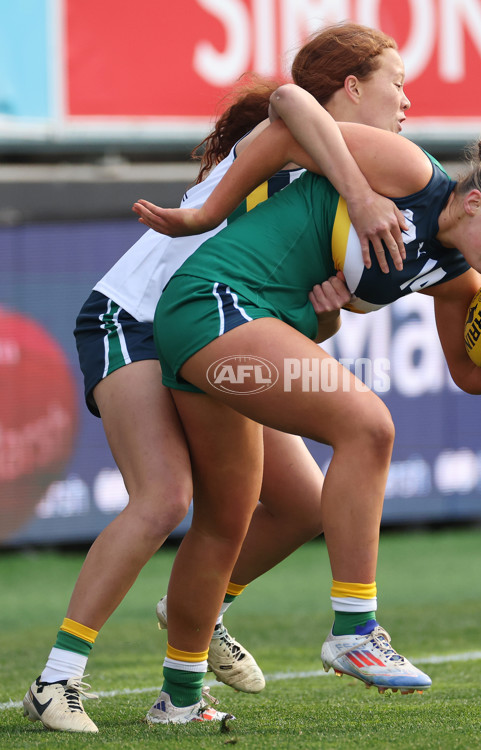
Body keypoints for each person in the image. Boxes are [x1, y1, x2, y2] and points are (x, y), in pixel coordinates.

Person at [22, 23, 412, 734]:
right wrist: (358, 193)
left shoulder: (342, 184)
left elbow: (289, 316)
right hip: (134, 319)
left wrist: (324, 315)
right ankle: (57, 680)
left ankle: (193, 637)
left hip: (210, 335)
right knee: (165, 496)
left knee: (301, 504)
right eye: (397, 81)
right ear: (353, 87)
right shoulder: (298, 136)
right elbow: (292, 101)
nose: (407, 100)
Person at [132, 84, 481, 724]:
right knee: (368, 427)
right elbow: (284, 114)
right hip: (215, 303)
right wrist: (210, 213)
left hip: (237, 326)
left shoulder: (452, 276)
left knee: (229, 522)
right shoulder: (412, 173)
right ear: (474, 202)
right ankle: (356, 629)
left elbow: (469, 376)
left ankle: (179, 700)